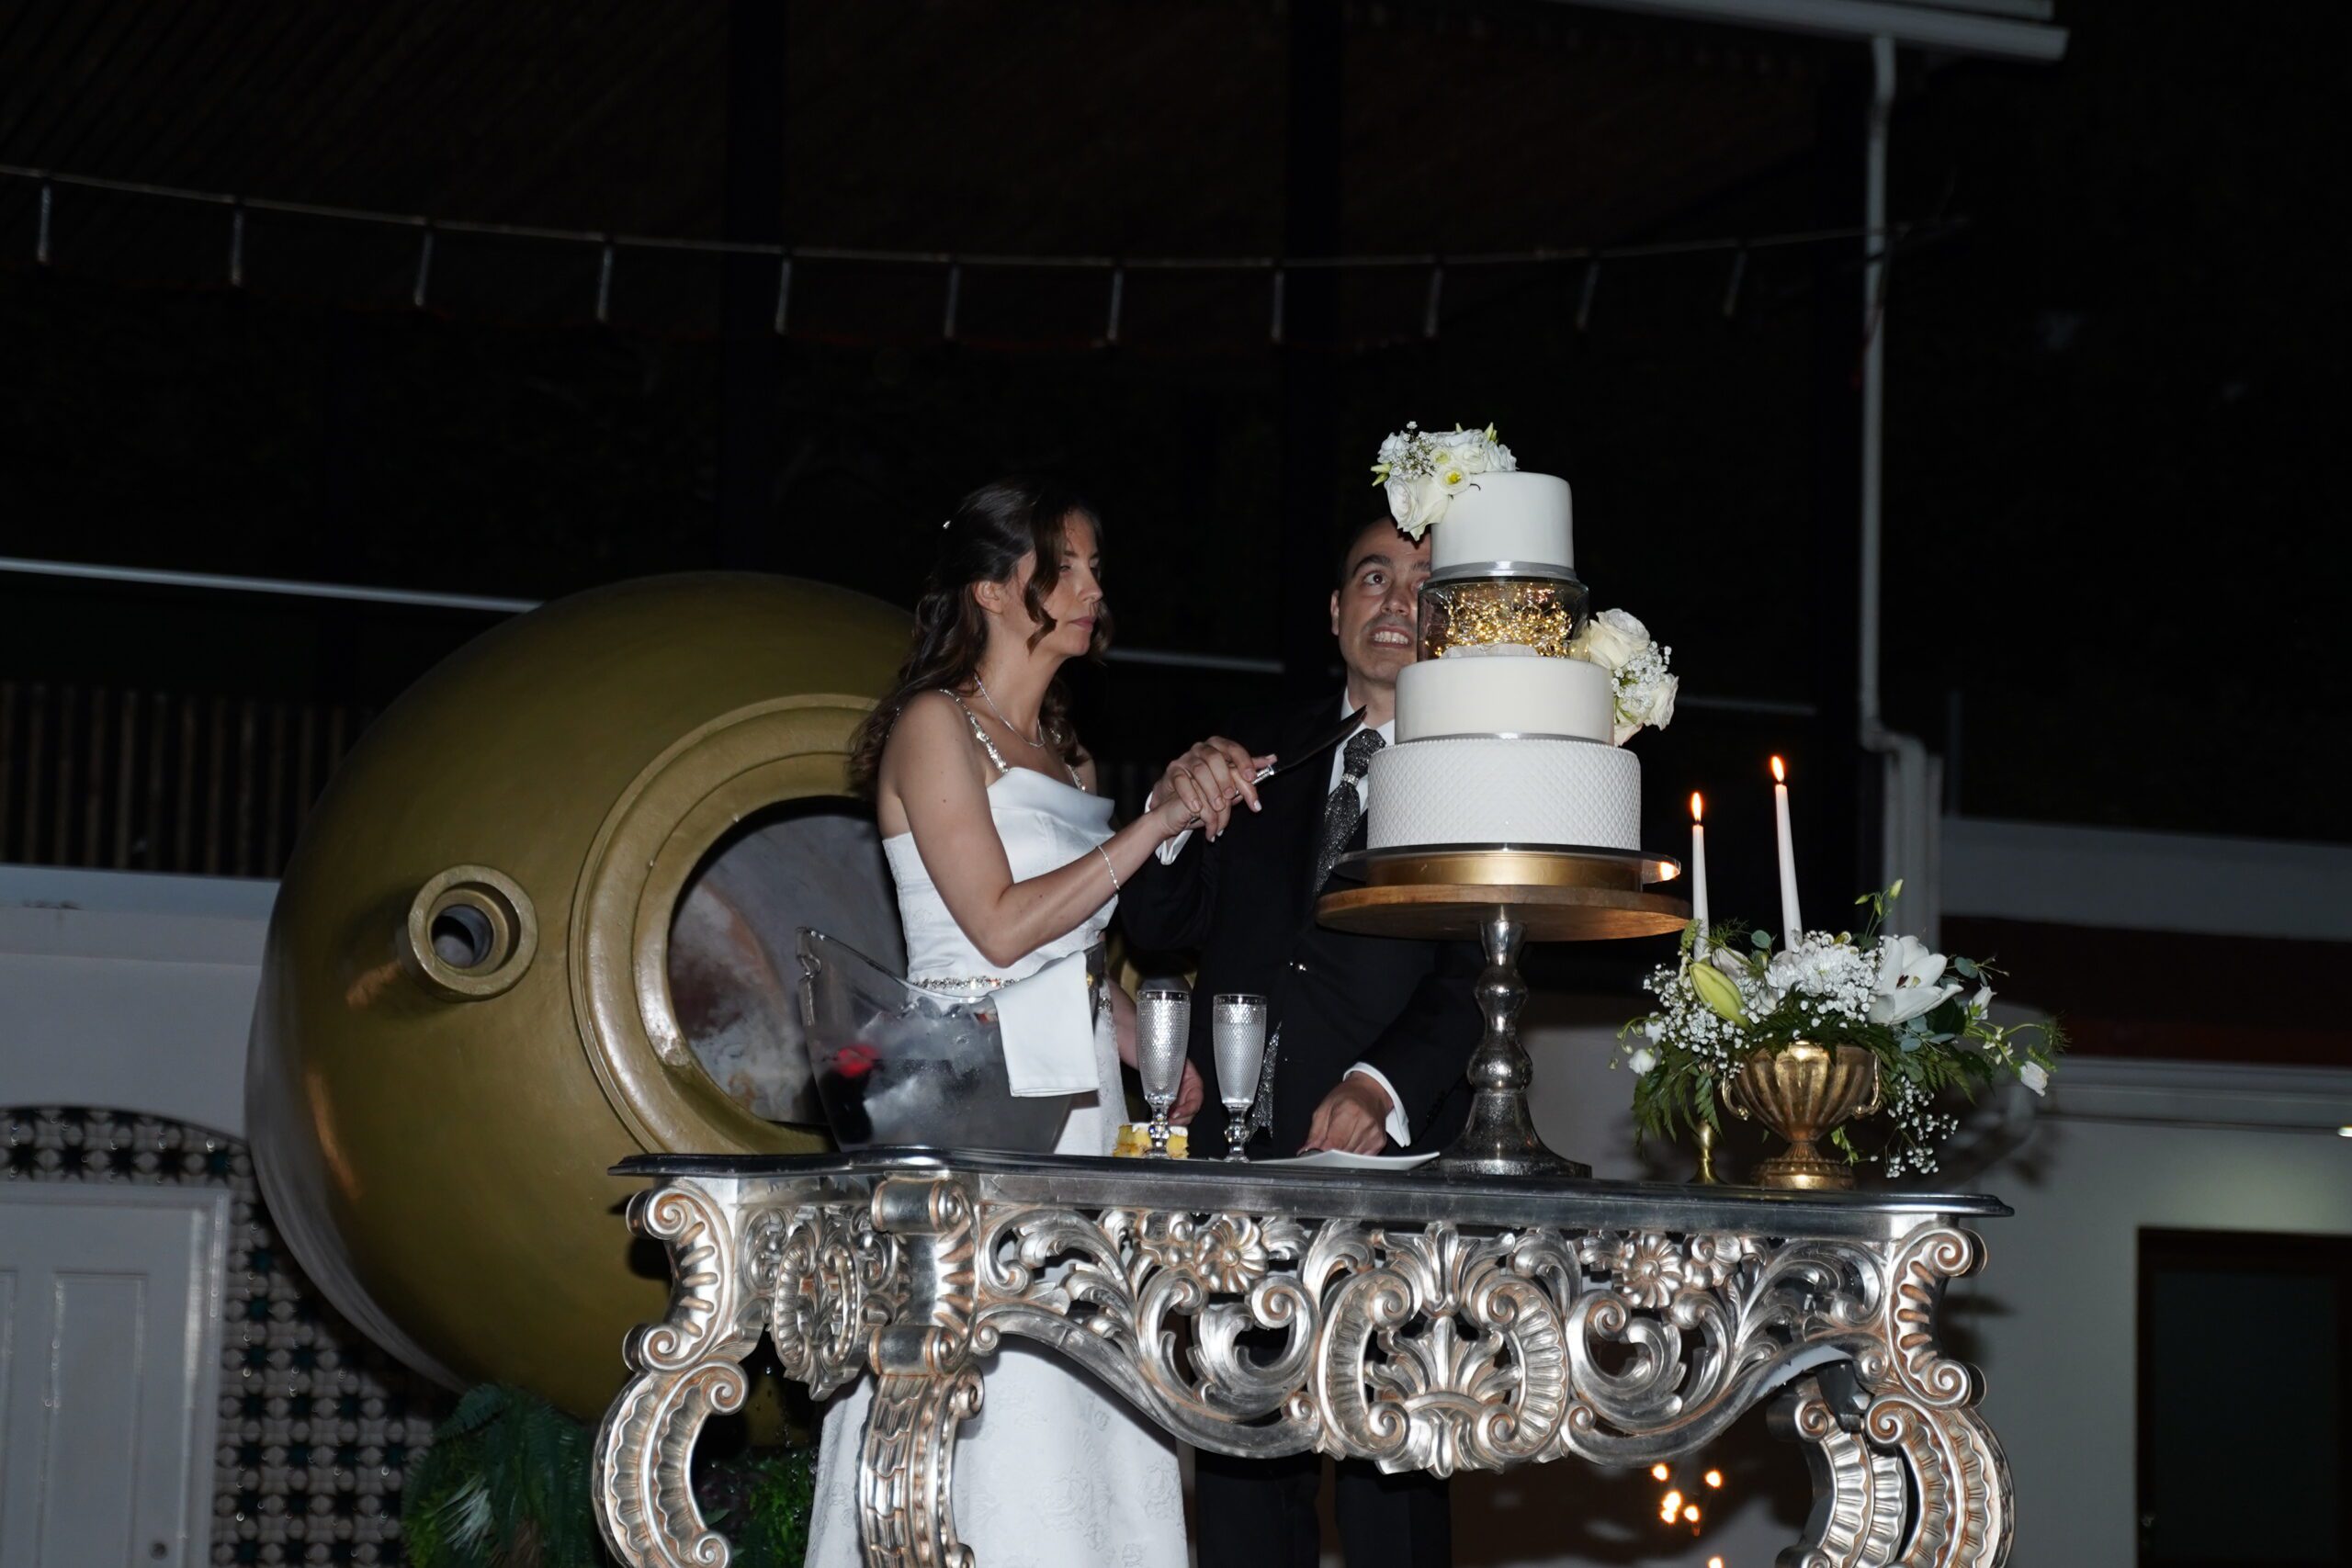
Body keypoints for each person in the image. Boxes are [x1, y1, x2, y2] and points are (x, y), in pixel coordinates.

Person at [803, 476, 1233, 1568]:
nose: (1091, 589)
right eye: (1063, 568)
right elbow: (997, 929)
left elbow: (1068, 947)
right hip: (973, 1101)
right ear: (994, 591)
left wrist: (1137, 1035)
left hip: (1081, 1096)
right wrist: (1152, 826)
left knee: (1085, 1364)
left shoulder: (1066, 751)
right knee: (990, 1367)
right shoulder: (933, 727)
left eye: (1094, 569)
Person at [1117, 512, 1480, 1568]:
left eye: (1423, 583)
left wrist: (1380, 1087)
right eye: (1373, 578)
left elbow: (1477, 980)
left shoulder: (1481, 774)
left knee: (1389, 1501)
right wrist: (1168, 815)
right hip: (1241, 1177)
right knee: (1241, 1494)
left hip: (1395, 1183)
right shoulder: (1259, 753)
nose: (1396, 602)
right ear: (1333, 610)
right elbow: (1160, 927)